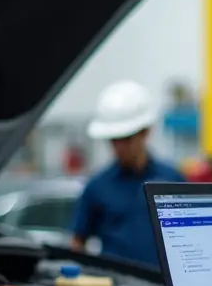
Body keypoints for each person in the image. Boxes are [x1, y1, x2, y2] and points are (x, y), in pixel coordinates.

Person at [70, 80, 184, 265]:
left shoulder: (173, 180)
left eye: (126, 139)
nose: (119, 147)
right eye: (114, 140)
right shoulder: (97, 186)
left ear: (145, 132)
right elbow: (77, 243)